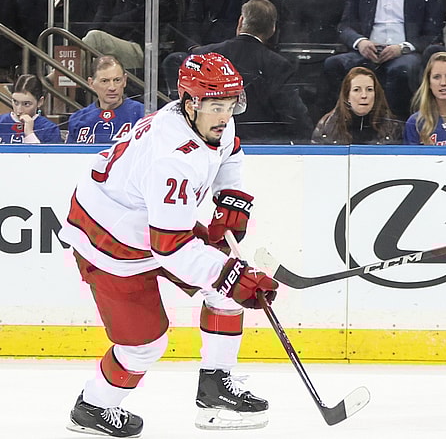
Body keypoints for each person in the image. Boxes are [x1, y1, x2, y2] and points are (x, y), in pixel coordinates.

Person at [58, 53, 280, 437]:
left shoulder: (210, 121)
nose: (225, 115)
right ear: (190, 103)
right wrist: (228, 274)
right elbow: (171, 247)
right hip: (111, 243)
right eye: (216, 106)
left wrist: (231, 198)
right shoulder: (170, 158)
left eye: (231, 104)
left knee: (225, 289)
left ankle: (215, 389)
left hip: (154, 223)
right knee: (145, 346)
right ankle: (93, 407)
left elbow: (231, 151)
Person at [191, 0, 312, 143]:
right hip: (262, 146)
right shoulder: (278, 65)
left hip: (212, 142)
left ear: (241, 21)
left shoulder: (206, 56)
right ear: (272, 29)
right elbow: (295, 116)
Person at [323, 0, 445, 119]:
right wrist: (360, 42)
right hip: (367, 51)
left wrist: (402, 48)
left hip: (405, 52)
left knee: (401, 70)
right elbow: (344, 27)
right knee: (333, 64)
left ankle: (394, 126)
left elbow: (433, 34)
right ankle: (343, 123)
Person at [312, 66, 401, 144]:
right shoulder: (327, 126)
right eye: (356, 90)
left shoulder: (392, 128)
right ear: (347, 96)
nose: (364, 96)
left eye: (369, 90)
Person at [66, 56, 144, 144]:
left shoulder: (142, 114)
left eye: (117, 80)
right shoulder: (78, 119)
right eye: (105, 81)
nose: (112, 87)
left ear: (124, 80)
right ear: (91, 83)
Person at [0, 74, 62, 144]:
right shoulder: (1, 121)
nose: (19, 110)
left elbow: (48, 154)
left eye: (26, 104)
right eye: (15, 102)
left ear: (40, 102)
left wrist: (29, 134)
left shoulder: (49, 129)